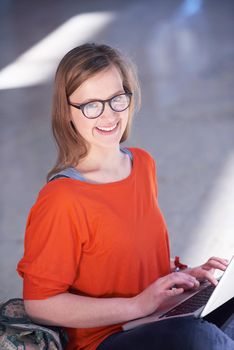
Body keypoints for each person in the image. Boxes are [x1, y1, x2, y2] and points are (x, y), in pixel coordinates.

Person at [17, 43, 234, 350]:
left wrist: (183, 280)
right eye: (91, 105)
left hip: (160, 318)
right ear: (67, 112)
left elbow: (131, 258)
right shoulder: (61, 199)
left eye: (116, 99)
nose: (108, 115)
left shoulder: (142, 163)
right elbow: (40, 304)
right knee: (199, 338)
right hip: (107, 339)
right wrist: (136, 306)